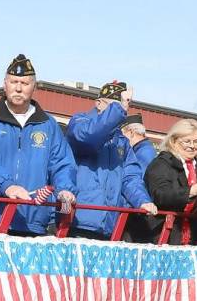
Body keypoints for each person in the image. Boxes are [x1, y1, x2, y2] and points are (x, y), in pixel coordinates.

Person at [0, 54, 77, 236]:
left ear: (34, 87)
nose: (18, 88)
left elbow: (61, 162)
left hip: (32, 220)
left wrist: (65, 188)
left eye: (25, 83)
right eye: (13, 82)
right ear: (5, 84)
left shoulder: (48, 125)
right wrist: (7, 186)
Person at [66, 81, 157, 239]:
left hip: (110, 223)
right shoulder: (79, 122)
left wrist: (142, 200)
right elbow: (90, 135)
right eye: (113, 106)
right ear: (98, 103)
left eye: (121, 107)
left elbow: (130, 178)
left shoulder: (122, 141)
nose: (119, 111)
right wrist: (119, 108)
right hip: (80, 219)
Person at [143, 119, 197, 244]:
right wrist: (192, 190)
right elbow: (161, 195)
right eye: (187, 141)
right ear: (173, 141)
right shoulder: (161, 163)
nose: (192, 146)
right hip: (162, 235)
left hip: (194, 236)